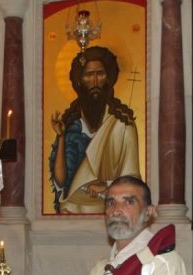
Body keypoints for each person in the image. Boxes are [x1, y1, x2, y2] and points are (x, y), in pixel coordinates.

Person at [49, 46, 140, 214]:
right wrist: (61, 137)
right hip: (72, 211)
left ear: (109, 78)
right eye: (89, 75)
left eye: (100, 74)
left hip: (111, 212)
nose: (95, 81)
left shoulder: (123, 125)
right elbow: (61, 181)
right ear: (80, 81)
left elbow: (133, 180)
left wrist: (106, 185)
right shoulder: (71, 126)